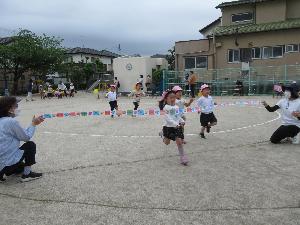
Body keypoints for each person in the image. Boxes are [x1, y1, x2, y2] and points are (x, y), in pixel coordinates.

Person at [0, 96, 44, 182]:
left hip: (1, 164)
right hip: (8, 164)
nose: (17, 107)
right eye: (15, 105)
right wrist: (34, 124)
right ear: (9, 108)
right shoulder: (11, 122)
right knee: (30, 145)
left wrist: (32, 124)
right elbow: (26, 137)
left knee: (20, 167)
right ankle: (27, 174)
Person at [159, 90, 188, 166]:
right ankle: (163, 135)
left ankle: (183, 157)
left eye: (174, 97)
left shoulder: (176, 107)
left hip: (176, 127)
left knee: (179, 142)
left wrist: (181, 121)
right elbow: (168, 119)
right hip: (168, 127)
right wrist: (176, 124)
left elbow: (178, 116)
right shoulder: (166, 108)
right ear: (166, 99)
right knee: (167, 143)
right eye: (170, 98)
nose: (173, 99)